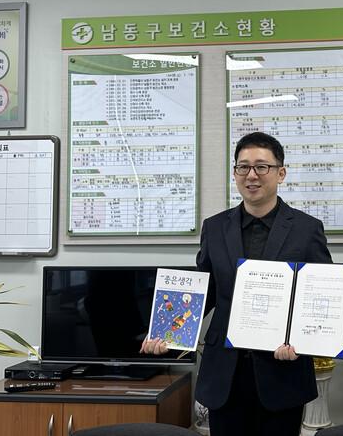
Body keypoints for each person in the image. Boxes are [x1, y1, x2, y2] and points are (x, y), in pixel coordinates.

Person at [141, 131, 332, 436]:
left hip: (282, 371)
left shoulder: (307, 229)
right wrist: (168, 333)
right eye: (243, 167)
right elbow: (205, 293)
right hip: (224, 373)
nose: (251, 175)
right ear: (235, 173)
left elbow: (321, 298)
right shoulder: (215, 227)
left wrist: (302, 343)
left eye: (262, 166)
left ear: (281, 173)